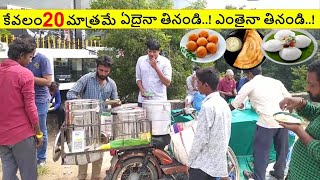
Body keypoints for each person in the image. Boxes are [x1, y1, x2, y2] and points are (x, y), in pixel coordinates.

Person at [230, 67, 291, 180]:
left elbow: (235, 104)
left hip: (266, 123)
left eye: (247, 74)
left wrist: (224, 111)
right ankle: (279, 173)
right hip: (283, 120)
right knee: (282, 150)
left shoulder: (250, 84)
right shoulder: (276, 82)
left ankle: (259, 177)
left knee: (261, 153)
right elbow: (289, 98)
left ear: (249, 73)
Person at [67, 55, 119, 180]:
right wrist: (83, 104)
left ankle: (95, 176)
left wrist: (116, 102)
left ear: (109, 71)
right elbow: (70, 93)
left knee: (99, 150)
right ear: (97, 67)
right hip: (85, 121)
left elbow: (115, 100)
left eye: (106, 71)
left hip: (102, 123)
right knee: (83, 150)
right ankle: (82, 177)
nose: (103, 73)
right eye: (101, 70)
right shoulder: (86, 79)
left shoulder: (111, 84)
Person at [0, 38, 43, 180]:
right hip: (22, 134)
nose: (30, 60)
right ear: (21, 56)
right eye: (30, 57)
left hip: (2, 136)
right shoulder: (24, 74)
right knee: (29, 175)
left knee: (8, 175)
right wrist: (38, 133)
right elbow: (30, 107)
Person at [279, 60, 320, 180]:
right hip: (295, 173)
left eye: (311, 85)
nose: (307, 88)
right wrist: (301, 103)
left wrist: (299, 130)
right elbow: (316, 114)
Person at [188, 67, 231, 180]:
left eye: (198, 82)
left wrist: (190, 158)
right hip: (215, 161)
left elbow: (201, 138)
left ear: (206, 85)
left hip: (202, 164)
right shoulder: (223, 103)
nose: (197, 85)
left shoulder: (207, 106)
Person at [19, 34, 53, 167]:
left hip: (40, 99)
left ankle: (41, 158)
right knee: (26, 129)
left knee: (40, 129)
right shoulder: (20, 58)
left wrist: (27, 77)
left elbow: (48, 81)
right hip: (23, 97)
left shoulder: (42, 59)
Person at [136, 39, 172, 107]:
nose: (151, 54)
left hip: (159, 100)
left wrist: (156, 67)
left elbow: (167, 83)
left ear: (159, 51)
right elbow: (138, 78)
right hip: (143, 100)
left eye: (154, 52)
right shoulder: (141, 60)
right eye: (150, 51)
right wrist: (142, 90)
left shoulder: (165, 62)